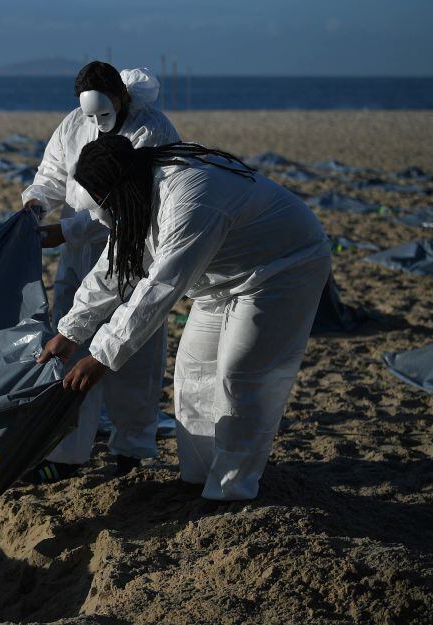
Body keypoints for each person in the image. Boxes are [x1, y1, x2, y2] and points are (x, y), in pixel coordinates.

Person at [38, 135, 331, 501]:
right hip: (218, 280)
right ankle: (198, 478)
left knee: (240, 377)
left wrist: (101, 357)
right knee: (193, 373)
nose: (102, 218)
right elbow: (115, 268)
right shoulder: (138, 193)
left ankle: (232, 491)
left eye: (103, 207)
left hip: (281, 269)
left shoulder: (189, 197)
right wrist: (70, 330)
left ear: (120, 188)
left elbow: (161, 287)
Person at [24, 61, 180, 482]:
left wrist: (67, 230)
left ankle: (131, 450)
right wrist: (35, 205)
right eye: (89, 114)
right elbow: (52, 174)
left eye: (103, 113)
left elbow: (130, 205)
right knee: (70, 346)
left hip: (134, 249)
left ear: (121, 97)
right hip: (79, 257)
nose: (96, 123)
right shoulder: (74, 124)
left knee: (133, 352)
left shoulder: (151, 131)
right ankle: (67, 453)